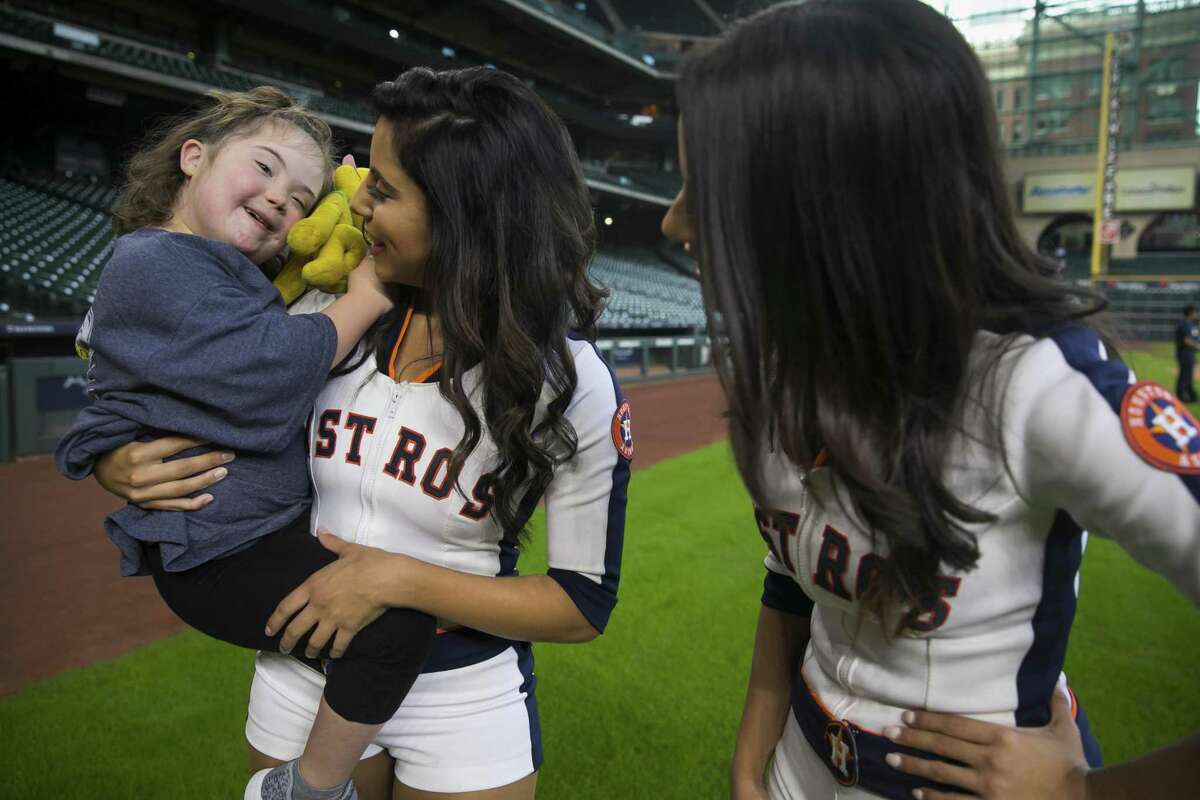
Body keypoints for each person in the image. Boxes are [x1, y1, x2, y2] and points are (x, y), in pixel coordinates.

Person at [659, 2, 1200, 799]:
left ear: (822, 208)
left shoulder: (1037, 386)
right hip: (796, 766)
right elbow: (789, 577)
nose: (675, 223)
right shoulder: (785, 361)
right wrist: (754, 751)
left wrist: (1089, 793)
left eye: (703, 189)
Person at [91, 66, 629, 800]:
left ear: (462, 215)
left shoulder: (569, 378)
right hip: (299, 668)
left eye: (383, 187)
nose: (359, 204)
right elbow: (141, 346)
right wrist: (114, 461)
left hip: (460, 695)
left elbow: (581, 604)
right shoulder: (321, 303)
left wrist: (396, 579)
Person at [54, 86, 437, 800]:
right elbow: (262, 378)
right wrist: (363, 298)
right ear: (192, 158)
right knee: (395, 627)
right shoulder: (154, 262)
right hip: (223, 548)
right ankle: (308, 790)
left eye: (298, 200)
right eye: (261, 168)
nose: (277, 202)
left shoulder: (227, 271)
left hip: (250, 535)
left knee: (388, 629)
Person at [1175, 304, 1199, 403]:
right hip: (1185, 353)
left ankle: (1190, 395)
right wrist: (1198, 346)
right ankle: (1181, 396)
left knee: (1188, 375)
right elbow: (1186, 340)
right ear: (1191, 313)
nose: (1196, 314)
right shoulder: (1185, 324)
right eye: (1195, 312)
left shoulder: (1191, 324)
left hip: (1189, 353)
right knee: (1185, 375)